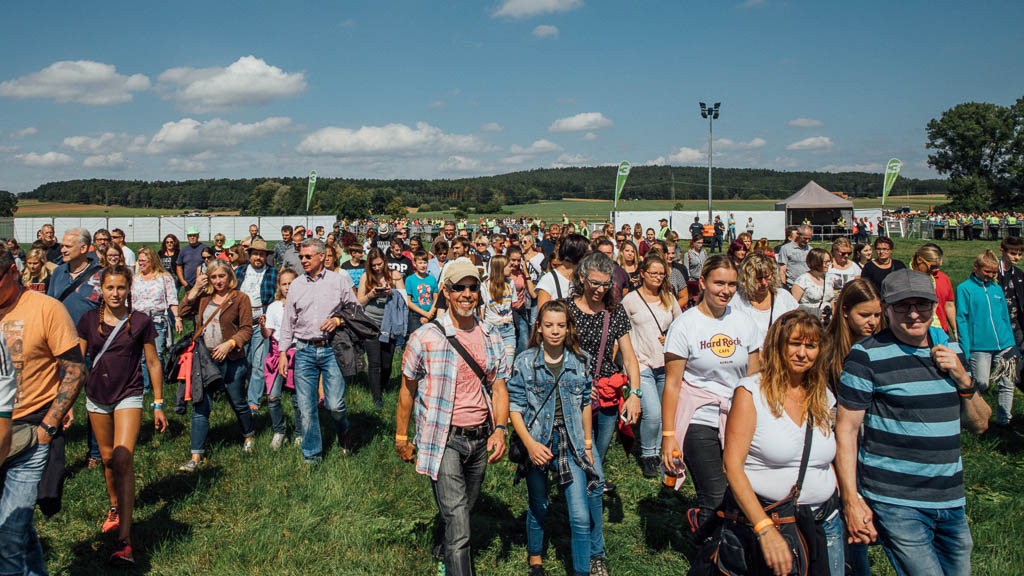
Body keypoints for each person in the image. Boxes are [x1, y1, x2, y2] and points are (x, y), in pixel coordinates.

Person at [837, 269, 990, 576]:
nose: (913, 314)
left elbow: (981, 424)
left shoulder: (951, 350)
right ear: (887, 308)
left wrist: (962, 378)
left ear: (934, 305)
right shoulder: (865, 356)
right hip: (896, 500)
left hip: (950, 499)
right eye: (902, 306)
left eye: (921, 304)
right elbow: (847, 431)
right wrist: (851, 500)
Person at [395, 260, 510, 576]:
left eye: (473, 288)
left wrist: (500, 429)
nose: (467, 294)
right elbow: (407, 390)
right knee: (459, 519)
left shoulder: (490, 335)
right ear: (445, 291)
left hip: (480, 437)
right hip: (444, 437)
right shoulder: (425, 337)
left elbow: (499, 387)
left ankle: (442, 544)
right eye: (459, 287)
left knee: (464, 509)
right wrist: (401, 437)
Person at [723, 309, 843, 576]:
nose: (803, 353)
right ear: (778, 345)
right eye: (795, 344)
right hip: (775, 524)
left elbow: (824, 460)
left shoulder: (823, 395)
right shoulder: (751, 393)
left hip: (826, 523)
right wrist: (763, 528)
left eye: (811, 346)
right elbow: (732, 466)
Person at [0, 243, 87, 576]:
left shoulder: (45, 309)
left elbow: (76, 369)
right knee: (19, 527)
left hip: (30, 435)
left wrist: (48, 427)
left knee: (7, 533)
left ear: (12, 272)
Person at [661, 256, 761, 530]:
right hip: (699, 417)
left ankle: (732, 547)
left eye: (731, 284)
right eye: (719, 283)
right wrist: (668, 436)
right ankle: (708, 555)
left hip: (737, 417)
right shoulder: (685, 325)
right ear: (703, 283)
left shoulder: (745, 323)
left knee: (739, 489)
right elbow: (672, 384)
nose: (726, 290)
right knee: (715, 495)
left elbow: (754, 377)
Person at [78, 265, 169, 564]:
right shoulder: (88, 320)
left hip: (129, 393)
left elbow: (153, 362)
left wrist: (157, 401)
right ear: (101, 289)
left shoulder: (140, 321)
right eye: (110, 288)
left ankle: (125, 540)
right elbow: (77, 364)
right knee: (106, 458)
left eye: (120, 288)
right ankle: (115, 506)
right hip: (97, 396)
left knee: (122, 457)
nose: (115, 294)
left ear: (129, 288)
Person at [509, 300, 602, 576]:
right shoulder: (526, 362)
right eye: (548, 325)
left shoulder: (580, 360)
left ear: (568, 328)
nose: (554, 331)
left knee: (580, 515)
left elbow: (585, 402)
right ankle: (535, 560)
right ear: (538, 327)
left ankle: (582, 570)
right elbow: (515, 408)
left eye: (561, 325)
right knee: (539, 504)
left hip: (570, 442)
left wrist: (587, 443)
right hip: (537, 440)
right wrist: (529, 444)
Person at [279, 238, 360, 461]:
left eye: (307, 256)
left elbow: (355, 310)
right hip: (304, 350)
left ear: (322, 256)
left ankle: (343, 430)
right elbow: (288, 322)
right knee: (306, 409)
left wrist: (338, 321)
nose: (303, 260)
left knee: (335, 404)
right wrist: (284, 352)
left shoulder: (338, 282)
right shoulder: (296, 285)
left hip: (332, 349)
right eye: (301, 256)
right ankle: (312, 456)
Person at [569, 252, 642, 500]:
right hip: (574, 392)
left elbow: (630, 357)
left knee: (598, 450)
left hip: (607, 394)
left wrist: (634, 393)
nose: (600, 289)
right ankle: (584, 505)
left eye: (606, 284)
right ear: (582, 278)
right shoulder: (566, 309)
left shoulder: (615, 311)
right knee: (580, 450)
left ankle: (589, 495)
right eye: (595, 283)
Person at [177, 259, 256, 471]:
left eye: (222, 276)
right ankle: (196, 456)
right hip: (205, 359)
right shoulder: (204, 298)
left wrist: (230, 343)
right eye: (214, 277)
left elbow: (247, 329)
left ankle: (248, 436)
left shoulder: (240, 298)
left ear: (230, 276)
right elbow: (183, 312)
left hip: (231, 359)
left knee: (237, 400)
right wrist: (195, 288)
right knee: (201, 406)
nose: (218, 281)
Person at [621, 254, 681, 478]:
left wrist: (671, 335)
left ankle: (658, 453)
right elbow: (621, 330)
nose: (657, 277)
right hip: (641, 362)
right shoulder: (630, 300)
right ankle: (648, 455)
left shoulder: (668, 297)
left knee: (665, 413)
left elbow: (680, 323)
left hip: (665, 363)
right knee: (653, 413)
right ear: (643, 273)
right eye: (653, 273)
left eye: (661, 274)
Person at [48, 227, 104, 467]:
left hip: (93, 348)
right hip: (61, 347)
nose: (62, 249)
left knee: (94, 401)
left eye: (67, 246)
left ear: (84, 249)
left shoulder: (101, 275)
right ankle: (51, 450)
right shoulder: (58, 273)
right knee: (57, 398)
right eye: (62, 245)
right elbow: (50, 305)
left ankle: (95, 453)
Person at [956, 250, 1016, 425]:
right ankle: (977, 415)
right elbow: (962, 319)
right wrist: (965, 349)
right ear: (976, 267)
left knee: (1007, 383)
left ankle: (1005, 420)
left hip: (1004, 343)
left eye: (994, 272)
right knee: (981, 382)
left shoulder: (996, 289)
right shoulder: (964, 288)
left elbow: (1005, 316)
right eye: (987, 272)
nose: (990, 276)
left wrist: (1012, 344)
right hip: (979, 345)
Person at [261, 267, 304, 449]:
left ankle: (299, 434)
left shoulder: (303, 304)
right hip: (276, 355)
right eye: (284, 284)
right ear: (279, 286)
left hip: (296, 353)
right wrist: (263, 326)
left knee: (296, 398)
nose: (287, 287)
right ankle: (279, 431)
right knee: (273, 397)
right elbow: (267, 334)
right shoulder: (274, 307)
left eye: (291, 283)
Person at [235, 238, 278, 414]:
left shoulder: (273, 273)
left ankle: (253, 400)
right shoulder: (240, 272)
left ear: (266, 256)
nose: (258, 258)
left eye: (261, 254)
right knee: (242, 361)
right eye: (255, 254)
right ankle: (237, 394)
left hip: (262, 321)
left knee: (259, 362)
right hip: (241, 322)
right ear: (249, 255)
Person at [357, 247, 403, 410]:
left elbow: (404, 297)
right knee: (374, 362)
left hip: (389, 323)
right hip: (371, 323)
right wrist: (371, 295)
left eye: (379, 264)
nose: (377, 268)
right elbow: (359, 301)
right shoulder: (366, 277)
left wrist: (393, 292)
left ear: (384, 261)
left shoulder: (394, 276)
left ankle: (382, 386)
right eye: (374, 265)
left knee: (387, 364)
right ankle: (377, 397)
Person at [132, 247, 182, 393]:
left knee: (157, 352)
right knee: (141, 355)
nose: (140, 264)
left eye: (143, 261)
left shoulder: (164, 277)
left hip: (157, 319)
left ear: (152, 261)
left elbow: (172, 299)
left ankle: (158, 383)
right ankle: (145, 386)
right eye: (139, 261)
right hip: (138, 319)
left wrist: (177, 318)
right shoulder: (135, 279)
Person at [731, 252, 799, 344]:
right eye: (758, 279)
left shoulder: (783, 296)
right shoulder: (737, 301)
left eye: (767, 277)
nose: (764, 283)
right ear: (746, 278)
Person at [911, 245, 957, 338]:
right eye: (933, 266)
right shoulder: (906, 278)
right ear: (920, 260)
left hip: (941, 332)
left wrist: (955, 330)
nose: (936, 270)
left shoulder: (942, 278)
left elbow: (949, 305)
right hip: (917, 333)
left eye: (938, 266)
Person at [535, 234, 589, 308]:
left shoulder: (583, 278)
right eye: (587, 256)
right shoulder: (548, 281)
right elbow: (542, 316)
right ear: (577, 255)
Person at [480, 255, 517, 361]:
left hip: (508, 328)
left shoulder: (510, 283)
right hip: (491, 329)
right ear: (500, 268)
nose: (512, 268)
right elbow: (482, 311)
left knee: (508, 364)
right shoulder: (485, 286)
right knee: (495, 365)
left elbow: (513, 306)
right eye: (509, 266)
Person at [792, 248, 836, 323]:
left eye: (829, 261)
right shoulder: (802, 280)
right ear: (816, 262)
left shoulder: (830, 278)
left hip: (828, 322)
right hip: (809, 322)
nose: (828, 264)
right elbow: (793, 305)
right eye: (826, 262)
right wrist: (813, 312)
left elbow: (831, 301)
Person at [997, 236, 1024, 356]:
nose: (1017, 257)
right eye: (1013, 253)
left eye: (1020, 254)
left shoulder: (1019, 274)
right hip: (999, 323)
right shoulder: (992, 273)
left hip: (1017, 322)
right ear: (1002, 251)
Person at [508, 246, 535, 356]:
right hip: (508, 311)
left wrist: (526, 273)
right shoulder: (505, 273)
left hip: (520, 310)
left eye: (518, 260)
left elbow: (533, 293)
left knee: (524, 342)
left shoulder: (521, 273)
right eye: (513, 260)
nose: (516, 263)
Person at [405, 250, 439, 336]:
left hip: (430, 313)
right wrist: (424, 314)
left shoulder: (432, 279)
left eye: (425, 263)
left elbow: (436, 298)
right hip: (415, 315)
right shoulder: (410, 279)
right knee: (416, 338)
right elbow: (408, 301)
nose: (423, 266)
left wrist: (429, 314)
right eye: (420, 263)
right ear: (415, 263)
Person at [778, 224, 813, 288]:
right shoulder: (785, 248)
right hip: (792, 285)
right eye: (805, 238)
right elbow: (782, 270)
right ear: (798, 234)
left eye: (809, 239)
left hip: (808, 285)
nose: (807, 241)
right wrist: (783, 287)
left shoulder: (810, 250)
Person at [176, 227, 208, 292]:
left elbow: (210, 264)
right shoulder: (184, 250)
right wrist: (183, 282)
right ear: (188, 237)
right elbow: (179, 266)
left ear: (198, 236)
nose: (192, 237)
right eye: (190, 236)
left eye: (194, 235)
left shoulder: (205, 248)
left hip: (202, 283)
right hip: (188, 284)